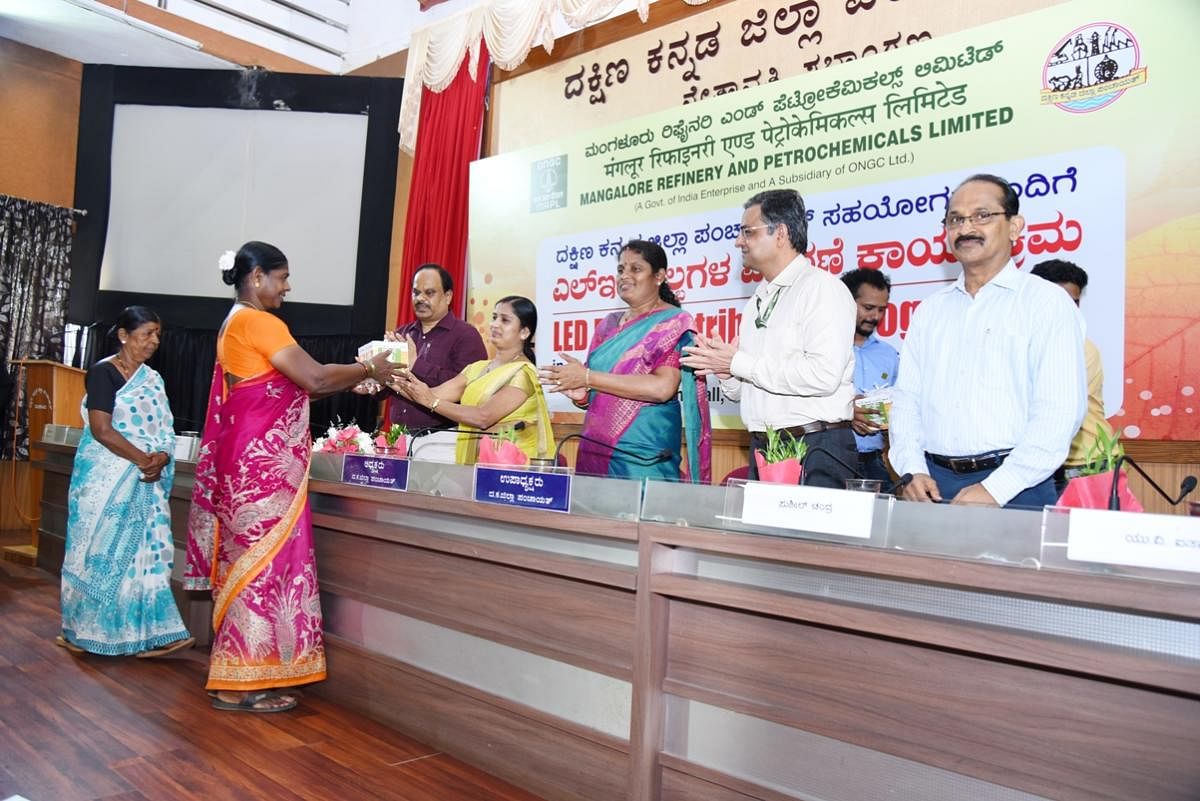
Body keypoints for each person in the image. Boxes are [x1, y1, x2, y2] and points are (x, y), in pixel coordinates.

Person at [185, 241, 402, 713]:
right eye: (282, 278)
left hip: (246, 464)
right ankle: (235, 683)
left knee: (253, 566)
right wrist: (370, 367)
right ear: (257, 276)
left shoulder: (234, 323)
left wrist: (352, 380)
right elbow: (317, 379)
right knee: (260, 568)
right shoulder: (258, 321)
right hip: (260, 469)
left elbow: (288, 391)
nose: (287, 286)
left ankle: (248, 677)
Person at [889, 175, 1086, 509]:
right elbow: (907, 400)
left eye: (982, 215)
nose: (966, 228)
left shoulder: (1046, 303)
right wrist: (911, 470)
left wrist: (997, 488)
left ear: (1014, 226)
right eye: (956, 219)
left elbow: (1059, 412)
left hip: (1018, 487)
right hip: (931, 485)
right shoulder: (930, 311)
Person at [680, 189, 857, 488]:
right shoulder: (757, 301)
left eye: (748, 232)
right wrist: (728, 373)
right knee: (760, 537)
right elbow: (743, 391)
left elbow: (823, 376)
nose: (738, 241)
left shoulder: (821, 289)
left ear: (781, 233)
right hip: (765, 445)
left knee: (809, 538)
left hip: (815, 446)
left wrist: (739, 363)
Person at [58, 306, 194, 658]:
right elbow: (102, 429)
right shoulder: (103, 373)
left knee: (147, 555)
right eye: (146, 333)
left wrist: (160, 457)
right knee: (100, 555)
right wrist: (142, 459)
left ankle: (155, 633)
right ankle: (88, 630)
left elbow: (165, 430)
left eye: (157, 335)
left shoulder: (153, 380)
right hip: (106, 478)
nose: (154, 341)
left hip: (145, 478)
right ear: (123, 335)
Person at [539, 240, 711, 482]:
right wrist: (583, 395)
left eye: (636, 269)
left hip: (643, 453)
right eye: (621, 269)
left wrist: (588, 377)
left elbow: (662, 389)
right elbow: (601, 390)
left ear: (659, 275)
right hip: (594, 446)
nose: (624, 276)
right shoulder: (608, 325)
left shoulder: (673, 322)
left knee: (642, 517)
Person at [390, 295, 553, 464]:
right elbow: (433, 394)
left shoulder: (523, 373)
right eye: (494, 317)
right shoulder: (477, 368)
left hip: (511, 469)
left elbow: (483, 417)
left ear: (524, 332)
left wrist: (432, 401)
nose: (495, 324)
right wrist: (387, 379)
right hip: (477, 461)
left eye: (505, 320)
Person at [1031, 259, 1106, 496]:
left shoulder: (1081, 348)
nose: (1068, 310)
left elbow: (1048, 405)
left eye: (1074, 302)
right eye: (1060, 302)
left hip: (1083, 464)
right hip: (1043, 465)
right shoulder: (1025, 342)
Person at [840, 269, 899, 483]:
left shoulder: (890, 355)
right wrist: (846, 409)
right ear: (845, 302)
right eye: (868, 308)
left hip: (874, 461)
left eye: (882, 310)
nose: (875, 316)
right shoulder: (824, 351)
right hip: (832, 458)